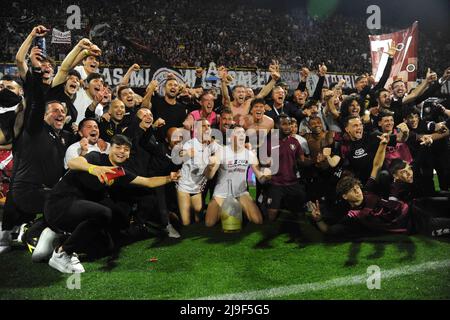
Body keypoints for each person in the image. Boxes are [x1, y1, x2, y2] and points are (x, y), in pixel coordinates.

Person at [44, 134, 180, 273]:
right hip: (59, 203)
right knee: (104, 213)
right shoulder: (96, 157)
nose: (122, 151)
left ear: (128, 155)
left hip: (78, 211)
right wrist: (94, 169)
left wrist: (169, 178)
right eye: (118, 147)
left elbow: (147, 182)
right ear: (110, 149)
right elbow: (73, 163)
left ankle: (59, 238)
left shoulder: (120, 172)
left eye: (126, 149)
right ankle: (62, 253)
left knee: (105, 247)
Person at [310, 133, 450, 239]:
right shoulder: (353, 216)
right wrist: (319, 220)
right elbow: (330, 231)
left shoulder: (367, 191)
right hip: (413, 224)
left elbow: (376, 166)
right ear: (345, 195)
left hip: (415, 206)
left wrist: (383, 144)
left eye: (357, 187)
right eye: (352, 190)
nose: (357, 190)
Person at [204, 125, 270, 227]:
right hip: (221, 194)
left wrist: (266, 176)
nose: (242, 135)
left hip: (241, 193)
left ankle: (236, 208)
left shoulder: (250, 154)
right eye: (238, 133)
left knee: (257, 220)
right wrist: (209, 167)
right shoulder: (221, 152)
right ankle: (232, 209)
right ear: (231, 137)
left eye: (243, 133)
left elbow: (260, 179)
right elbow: (209, 176)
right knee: (209, 223)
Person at [264, 114, 312, 221]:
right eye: (284, 124)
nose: (288, 127)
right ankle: (265, 201)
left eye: (289, 124)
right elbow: (262, 162)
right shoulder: (268, 141)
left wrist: (315, 161)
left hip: (292, 183)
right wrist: (266, 164)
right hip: (275, 183)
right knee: (271, 217)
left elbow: (302, 160)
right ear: (277, 125)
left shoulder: (294, 142)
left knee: (301, 216)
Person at [176, 119, 219, 225]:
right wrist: (185, 154)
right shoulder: (190, 144)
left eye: (208, 126)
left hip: (197, 187)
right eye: (203, 126)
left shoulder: (211, 145)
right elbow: (182, 157)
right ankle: (173, 214)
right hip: (184, 187)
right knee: (186, 223)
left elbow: (224, 150)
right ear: (196, 130)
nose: (207, 128)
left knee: (198, 218)